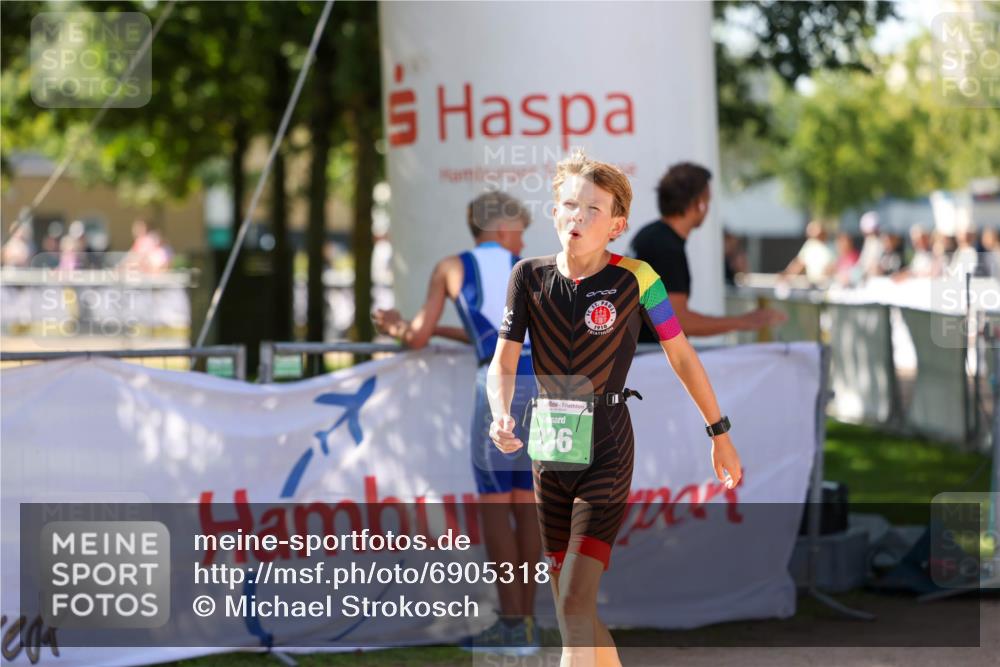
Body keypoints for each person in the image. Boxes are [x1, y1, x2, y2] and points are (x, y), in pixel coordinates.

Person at [490, 151, 743, 666]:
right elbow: (502, 361)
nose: (577, 218)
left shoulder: (638, 278)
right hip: (548, 447)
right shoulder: (528, 276)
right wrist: (500, 412)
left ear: (616, 224)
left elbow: (682, 355)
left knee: (578, 601)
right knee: (568, 607)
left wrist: (719, 432)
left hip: (607, 446)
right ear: (554, 213)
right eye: (569, 206)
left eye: (592, 210)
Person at [372, 191, 541, 654]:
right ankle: (525, 625)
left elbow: (419, 336)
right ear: (503, 230)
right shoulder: (535, 266)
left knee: (496, 504)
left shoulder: (451, 267)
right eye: (519, 229)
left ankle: (513, 628)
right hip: (548, 382)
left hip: (499, 381)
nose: (522, 238)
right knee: (529, 503)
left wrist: (395, 327)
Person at [630, 162, 784, 339]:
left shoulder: (652, 235)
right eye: (707, 200)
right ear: (699, 204)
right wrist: (744, 321)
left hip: (641, 358)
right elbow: (676, 321)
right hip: (649, 359)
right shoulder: (665, 247)